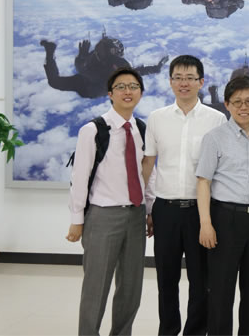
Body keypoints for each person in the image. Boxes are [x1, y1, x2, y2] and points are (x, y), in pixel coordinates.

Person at [141, 55, 226, 336]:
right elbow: (148, 165)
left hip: (201, 212)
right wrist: (148, 207)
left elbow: (221, 170)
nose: (184, 83)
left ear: (201, 82)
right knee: (166, 279)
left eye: (190, 78)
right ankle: (168, 330)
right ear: (170, 82)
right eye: (178, 78)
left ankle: (195, 332)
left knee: (201, 281)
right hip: (165, 210)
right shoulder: (157, 118)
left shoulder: (216, 119)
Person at [66, 67, 152, 335]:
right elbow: (80, 177)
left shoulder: (142, 129)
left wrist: (150, 211)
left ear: (141, 93)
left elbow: (147, 176)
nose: (128, 91)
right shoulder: (93, 130)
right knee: (96, 287)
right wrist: (76, 220)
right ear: (110, 94)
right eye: (121, 87)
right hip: (103, 217)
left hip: (136, 215)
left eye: (133, 86)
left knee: (131, 288)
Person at [195, 76, 249, 335]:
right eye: (237, 102)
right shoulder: (214, 138)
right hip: (224, 219)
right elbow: (203, 182)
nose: (243, 107)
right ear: (227, 104)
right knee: (221, 292)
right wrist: (206, 224)